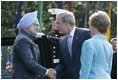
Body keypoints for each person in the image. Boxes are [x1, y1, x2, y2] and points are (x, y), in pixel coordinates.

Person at [12, 11, 56, 79]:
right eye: (37, 25)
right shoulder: (23, 40)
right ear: (28, 26)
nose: (38, 28)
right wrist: (46, 72)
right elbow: (29, 63)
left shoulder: (25, 38)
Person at [55, 11, 91, 79]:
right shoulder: (62, 41)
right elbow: (62, 63)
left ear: (66, 23)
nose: (56, 26)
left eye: (58, 23)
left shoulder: (86, 34)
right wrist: (55, 72)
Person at [79, 11, 113, 79]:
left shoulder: (88, 44)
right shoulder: (109, 46)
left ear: (92, 25)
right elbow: (108, 69)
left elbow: (85, 70)